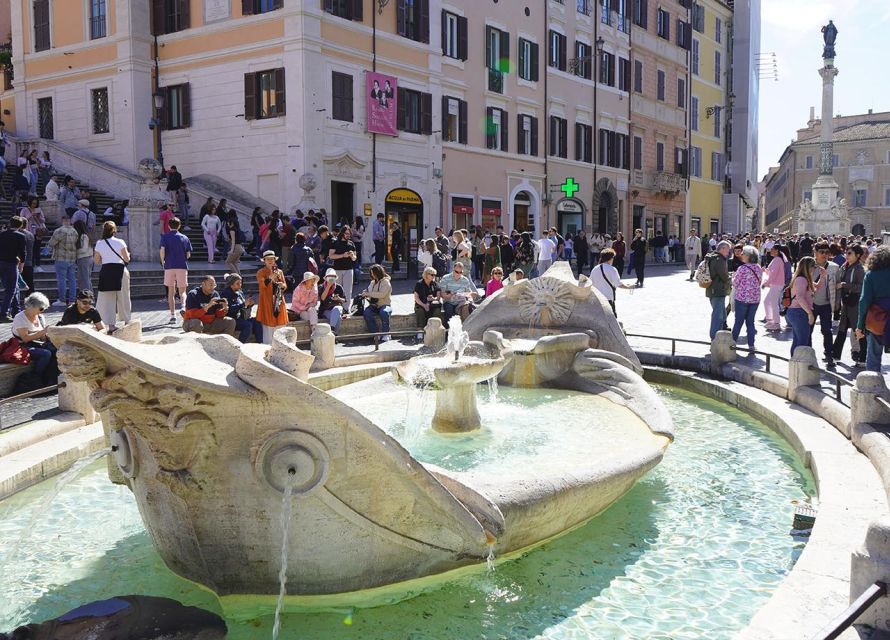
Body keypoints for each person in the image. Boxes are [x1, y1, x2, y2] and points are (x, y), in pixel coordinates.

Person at [12, 292, 57, 386]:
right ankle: (37, 377)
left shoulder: (40, 317)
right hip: (23, 346)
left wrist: (49, 334)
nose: (42, 311)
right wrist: (42, 332)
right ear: (31, 306)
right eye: (41, 308)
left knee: (56, 350)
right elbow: (25, 338)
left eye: (44, 309)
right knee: (46, 354)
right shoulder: (20, 318)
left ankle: (51, 378)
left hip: (38, 343)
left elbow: (43, 336)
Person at [857, 246, 890, 373]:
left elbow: (864, 301)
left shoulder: (870, 275)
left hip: (877, 319)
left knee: (873, 355)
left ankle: (871, 387)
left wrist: (860, 325)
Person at [832, 244, 866, 367]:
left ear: (858, 256)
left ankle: (862, 358)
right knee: (842, 329)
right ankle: (835, 355)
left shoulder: (859, 269)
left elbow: (861, 287)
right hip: (845, 302)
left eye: (850, 253)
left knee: (858, 330)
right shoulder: (844, 266)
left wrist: (845, 285)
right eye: (846, 252)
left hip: (855, 303)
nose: (847, 255)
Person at [93, 221, 132, 331]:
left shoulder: (99, 243)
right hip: (120, 270)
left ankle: (110, 325)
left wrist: (105, 259)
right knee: (123, 296)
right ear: (114, 230)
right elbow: (127, 259)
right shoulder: (120, 242)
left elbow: (96, 260)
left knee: (107, 298)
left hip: (106, 270)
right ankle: (127, 321)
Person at [787, 256, 823, 356]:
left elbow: (817, 287)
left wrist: (822, 276)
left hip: (797, 311)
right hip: (798, 312)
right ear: (808, 267)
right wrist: (810, 313)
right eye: (814, 266)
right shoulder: (801, 280)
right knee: (802, 341)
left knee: (798, 340)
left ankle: (795, 362)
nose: (815, 268)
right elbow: (799, 297)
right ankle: (798, 364)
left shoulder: (804, 279)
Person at [159, 217, 192, 324]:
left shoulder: (165, 237)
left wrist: (163, 261)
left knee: (171, 292)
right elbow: (188, 254)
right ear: (179, 226)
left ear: (168, 226)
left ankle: (172, 315)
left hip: (169, 266)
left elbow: (162, 250)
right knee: (182, 291)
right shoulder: (185, 237)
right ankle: (183, 307)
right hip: (181, 265)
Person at [812, 241, 839, 366]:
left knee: (827, 331)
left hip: (826, 304)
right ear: (815, 253)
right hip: (811, 303)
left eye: (827, 252)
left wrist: (837, 304)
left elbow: (838, 286)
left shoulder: (834, 267)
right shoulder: (809, 265)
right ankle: (808, 353)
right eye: (821, 252)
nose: (824, 254)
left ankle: (829, 354)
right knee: (808, 329)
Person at [731, 246, 763, 350]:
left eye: (743, 253)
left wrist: (733, 277)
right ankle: (751, 345)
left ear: (748, 256)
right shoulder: (758, 267)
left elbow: (735, 283)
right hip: (755, 298)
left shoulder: (742, 268)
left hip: (742, 298)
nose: (741, 255)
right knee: (750, 322)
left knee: (738, 321)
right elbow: (759, 282)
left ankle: (732, 342)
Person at [255, 251, 288, 344]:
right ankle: (267, 349)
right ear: (264, 261)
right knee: (268, 328)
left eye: (272, 259)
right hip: (267, 302)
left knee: (280, 327)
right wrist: (270, 278)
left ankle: (281, 348)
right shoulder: (260, 272)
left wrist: (282, 285)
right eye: (268, 259)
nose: (270, 261)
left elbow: (285, 286)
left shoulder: (279, 271)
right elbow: (262, 285)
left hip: (279, 301)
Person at [590, 249, 636, 317]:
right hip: (608, 297)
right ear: (610, 259)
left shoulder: (595, 269)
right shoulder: (612, 269)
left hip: (597, 298)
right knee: (611, 319)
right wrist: (629, 287)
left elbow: (591, 283)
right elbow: (618, 284)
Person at [217, 273, 261, 343]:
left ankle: (260, 343)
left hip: (241, 317)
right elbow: (229, 309)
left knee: (257, 321)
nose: (240, 285)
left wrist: (249, 304)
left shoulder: (239, 292)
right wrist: (243, 304)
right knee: (247, 325)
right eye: (237, 283)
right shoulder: (226, 293)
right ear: (231, 284)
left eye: (240, 283)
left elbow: (243, 306)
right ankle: (240, 344)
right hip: (231, 319)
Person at [47, 214, 79, 308]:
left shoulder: (59, 230)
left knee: (61, 280)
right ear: (69, 221)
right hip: (72, 258)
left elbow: (51, 243)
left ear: (63, 221)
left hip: (61, 258)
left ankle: (62, 300)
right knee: (72, 280)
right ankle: (72, 300)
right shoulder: (74, 231)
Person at [0, 216, 27, 322]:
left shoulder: (2, 234)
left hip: (1, 262)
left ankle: (16, 310)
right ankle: (4, 313)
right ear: (20, 225)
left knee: (13, 287)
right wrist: (21, 265)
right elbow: (23, 252)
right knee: (11, 290)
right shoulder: (20, 236)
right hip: (11, 264)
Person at [705, 241, 731, 340]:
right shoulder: (719, 259)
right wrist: (731, 278)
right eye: (727, 250)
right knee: (717, 315)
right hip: (718, 290)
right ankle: (714, 338)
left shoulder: (712, 257)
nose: (728, 252)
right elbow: (724, 276)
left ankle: (722, 331)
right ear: (722, 249)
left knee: (721, 313)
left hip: (711, 289)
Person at [761, 244, 788, 332]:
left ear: (776, 251)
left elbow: (773, 274)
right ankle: (771, 320)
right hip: (776, 284)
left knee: (773, 303)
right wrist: (765, 271)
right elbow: (772, 273)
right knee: (768, 302)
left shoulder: (777, 260)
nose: (770, 250)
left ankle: (775, 322)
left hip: (776, 284)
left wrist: (766, 283)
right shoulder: (777, 259)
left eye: (772, 249)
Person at [362, 264, 392, 339]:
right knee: (367, 313)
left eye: (373, 273)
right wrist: (365, 293)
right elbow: (369, 291)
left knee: (384, 312)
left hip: (385, 305)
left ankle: (386, 333)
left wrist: (369, 294)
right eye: (371, 273)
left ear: (378, 272)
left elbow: (382, 294)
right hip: (374, 305)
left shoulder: (386, 282)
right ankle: (375, 334)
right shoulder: (372, 282)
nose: (372, 275)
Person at [330, 226, 357, 310]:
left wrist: (352, 256)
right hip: (337, 269)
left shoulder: (351, 243)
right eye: (346, 233)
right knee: (337, 289)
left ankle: (346, 308)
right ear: (342, 233)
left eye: (349, 234)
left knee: (348, 290)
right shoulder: (335, 242)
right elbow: (331, 255)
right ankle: (337, 307)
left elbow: (355, 258)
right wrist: (343, 255)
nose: (348, 235)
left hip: (349, 269)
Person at [414, 266, 441, 331]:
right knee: (420, 311)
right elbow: (416, 298)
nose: (433, 276)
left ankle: (435, 329)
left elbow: (438, 297)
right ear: (426, 274)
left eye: (434, 275)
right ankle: (420, 330)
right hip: (421, 303)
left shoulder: (435, 284)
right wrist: (424, 305)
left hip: (432, 304)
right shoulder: (419, 284)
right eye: (432, 275)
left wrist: (433, 299)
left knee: (437, 311)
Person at [318, 268, 346, 334]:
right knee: (337, 317)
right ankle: (335, 335)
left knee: (337, 309)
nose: (331, 278)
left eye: (333, 276)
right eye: (329, 276)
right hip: (326, 309)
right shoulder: (321, 287)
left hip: (337, 307)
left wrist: (338, 298)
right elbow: (322, 298)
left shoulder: (339, 287)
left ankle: (332, 330)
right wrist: (328, 286)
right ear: (326, 278)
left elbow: (344, 300)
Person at [73, 220, 93, 294]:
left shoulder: (83, 236)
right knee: (86, 278)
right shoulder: (87, 235)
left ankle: (87, 296)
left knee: (84, 279)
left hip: (84, 258)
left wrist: (75, 252)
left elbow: (84, 249)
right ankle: (89, 295)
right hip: (88, 258)